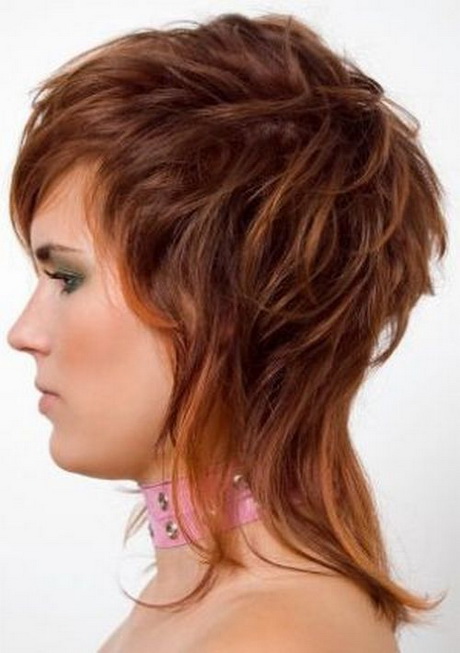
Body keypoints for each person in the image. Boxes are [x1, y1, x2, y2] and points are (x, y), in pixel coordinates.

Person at [6, 12, 448, 652]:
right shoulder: (193, 608)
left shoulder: (271, 638)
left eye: (67, 277)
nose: (23, 333)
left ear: (220, 308)